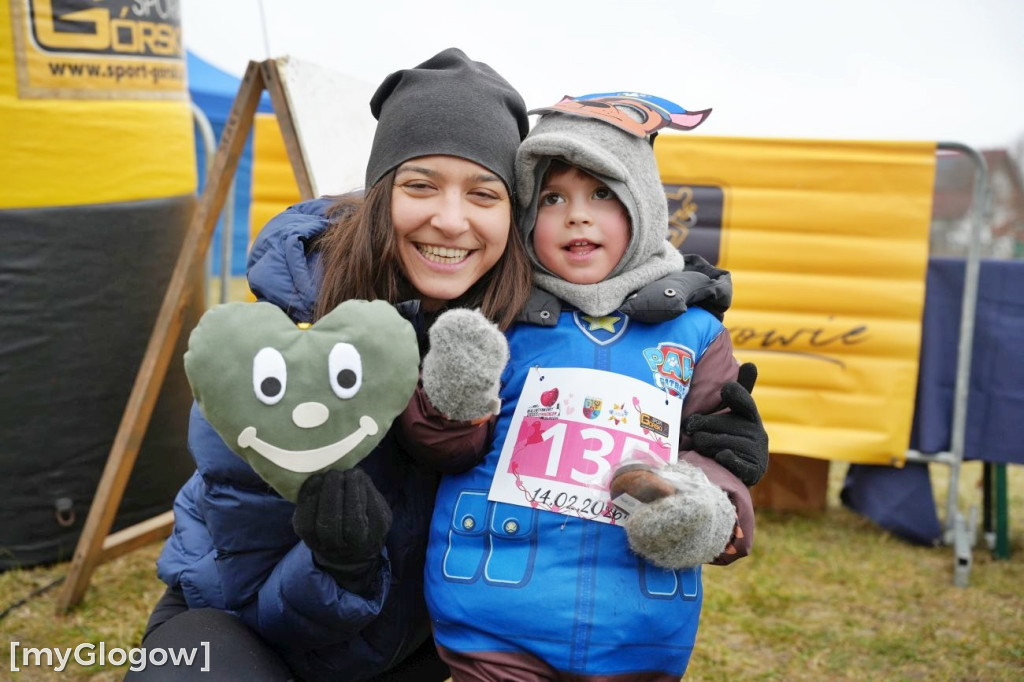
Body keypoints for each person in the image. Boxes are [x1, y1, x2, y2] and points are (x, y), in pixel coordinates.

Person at [131, 47, 532, 682]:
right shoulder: (285, 332)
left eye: (484, 193)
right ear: (379, 194)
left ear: (514, 216)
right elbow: (247, 583)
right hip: (248, 623)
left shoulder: (516, 336)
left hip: (408, 646)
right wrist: (340, 564)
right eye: (420, 185)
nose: (451, 221)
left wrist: (697, 420)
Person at [415, 93, 768, 680]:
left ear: (646, 206)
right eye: (553, 198)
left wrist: (714, 510)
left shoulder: (697, 333)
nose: (577, 215)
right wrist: (453, 400)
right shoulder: (495, 316)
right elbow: (446, 449)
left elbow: (716, 452)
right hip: (495, 616)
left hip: (640, 625)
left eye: (603, 193)